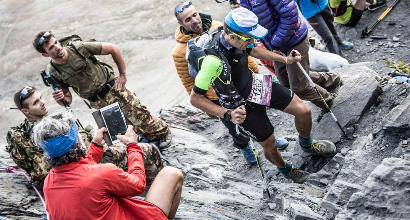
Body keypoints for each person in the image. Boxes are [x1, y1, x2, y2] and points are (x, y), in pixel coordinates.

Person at [189, 8, 337, 183]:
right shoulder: (212, 62)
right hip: (239, 105)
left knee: (303, 111)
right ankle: (286, 169)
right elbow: (195, 98)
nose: (253, 41)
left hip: (255, 84)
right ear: (232, 36)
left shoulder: (239, 40)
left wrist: (285, 60)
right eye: (249, 38)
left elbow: (253, 51)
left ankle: (307, 143)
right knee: (270, 144)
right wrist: (228, 114)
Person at [171, 0, 288, 164]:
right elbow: (188, 80)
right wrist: (206, 106)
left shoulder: (217, 26)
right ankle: (244, 145)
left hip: (243, 82)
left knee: (258, 112)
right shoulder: (179, 52)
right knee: (233, 125)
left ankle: (269, 138)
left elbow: (243, 51)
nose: (195, 20)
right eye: (188, 19)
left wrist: (255, 71)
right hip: (216, 94)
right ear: (180, 23)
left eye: (195, 15)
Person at [31, 111, 183, 219]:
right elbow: (138, 185)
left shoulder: (49, 183)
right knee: (172, 173)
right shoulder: (102, 173)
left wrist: (95, 147)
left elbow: (79, 173)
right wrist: (133, 146)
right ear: (76, 141)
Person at [32, 31, 171, 148]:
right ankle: (144, 140)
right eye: (51, 47)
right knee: (121, 130)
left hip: (114, 89)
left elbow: (113, 48)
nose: (57, 47)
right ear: (45, 54)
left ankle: (163, 133)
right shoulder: (54, 72)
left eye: (56, 42)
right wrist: (60, 98)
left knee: (142, 117)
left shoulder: (78, 48)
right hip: (97, 102)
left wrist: (122, 74)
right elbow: (68, 100)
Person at [6, 86, 163, 187]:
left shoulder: (46, 123)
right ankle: (156, 185)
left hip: (90, 156)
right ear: (25, 111)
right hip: (88, 165)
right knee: (146, 150)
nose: (42, 103)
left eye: (41, 98)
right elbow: (52, 167)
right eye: (35, 102)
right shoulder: (41, 133)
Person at [240, 0, 341, 110]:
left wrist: (275, 43)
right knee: (285, 81)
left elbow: (290, 15)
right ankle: (331, 80)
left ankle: (330, 101)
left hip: (293, 39)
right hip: (274, 45)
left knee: (299, 87)